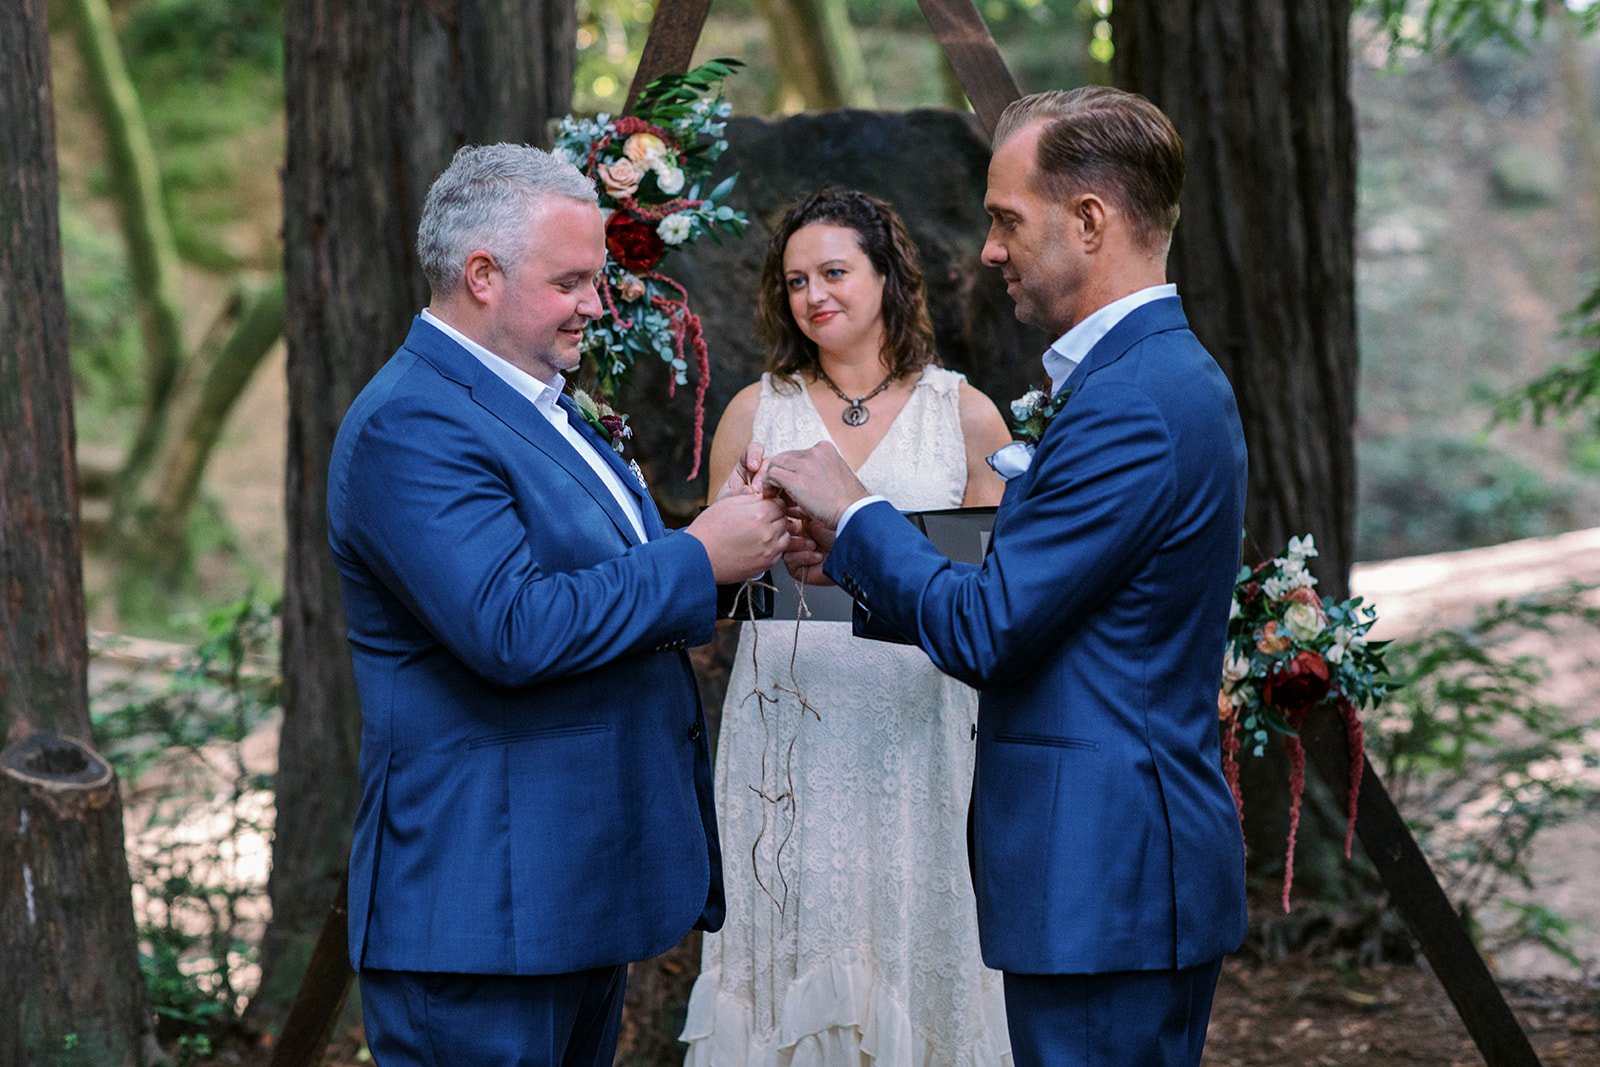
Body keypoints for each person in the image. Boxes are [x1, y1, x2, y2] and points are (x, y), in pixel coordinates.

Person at [765, 88, 1249, 1066]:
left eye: (1004, 219)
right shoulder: (1141, 379)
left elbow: (992, 625)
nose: (987, 249)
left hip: (1104, 878)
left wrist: (854, 508)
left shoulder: (1131, 403)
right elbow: (1053, 592)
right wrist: (856, 561)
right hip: (1107, 875)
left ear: (1088, 220)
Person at [326, 143, 790, 1066]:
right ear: (483, 275)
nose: (596, 304)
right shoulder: (410, 423)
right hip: (480, 912)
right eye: (573, 280)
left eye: (599, 279)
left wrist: (736, 551)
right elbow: (513, 626)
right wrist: (698, 557)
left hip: (566, 895)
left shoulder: (537, 401)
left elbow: (604, 585)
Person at [681, 188, 1015, 1064]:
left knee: (917, 936)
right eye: (796, 280)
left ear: (887, 277)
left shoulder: (966, 414)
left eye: (834, 271)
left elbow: (1001, 594)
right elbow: (709, 590)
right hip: (787, 727)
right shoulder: (757, 412)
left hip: (917, 722)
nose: (813, 294)